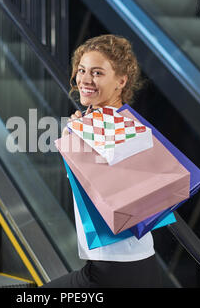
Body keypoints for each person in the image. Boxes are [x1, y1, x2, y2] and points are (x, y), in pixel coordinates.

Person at [42, 34, 162, 288]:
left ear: (121, 81)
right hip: (139, 264)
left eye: (97, 73)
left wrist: (76, 136)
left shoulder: (110, 126)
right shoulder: (122, 122)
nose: (84, 79)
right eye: (82, 70)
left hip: (115, 272)